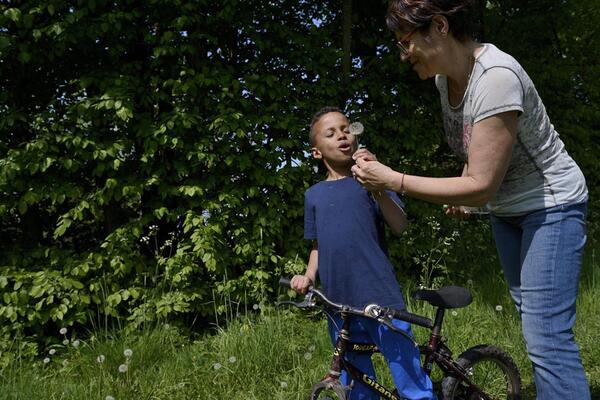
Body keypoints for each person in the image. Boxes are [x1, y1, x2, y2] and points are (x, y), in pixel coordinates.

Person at [351, 1, 590, 399]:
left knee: (547, 337)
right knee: (534, 324)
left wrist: (394, 179)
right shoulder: (447, 81)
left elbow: (482, 184)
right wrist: (467, 185)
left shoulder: (496, 78)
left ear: (440, 27)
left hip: (552, 205)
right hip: (508, 211)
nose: (402, 54)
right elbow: (477, 154)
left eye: (405, 41)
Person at [291, 106, 436, 400]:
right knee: (356, 384)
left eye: (346, 129)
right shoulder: (314, 195)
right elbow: (318, 245)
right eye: (330, 133)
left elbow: (400, 225)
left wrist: (378, 186)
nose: (342, 136)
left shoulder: (373, 181)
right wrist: (307, 275)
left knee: (408, 376)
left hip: (381, 298)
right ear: (316, 152)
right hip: (338, 304)